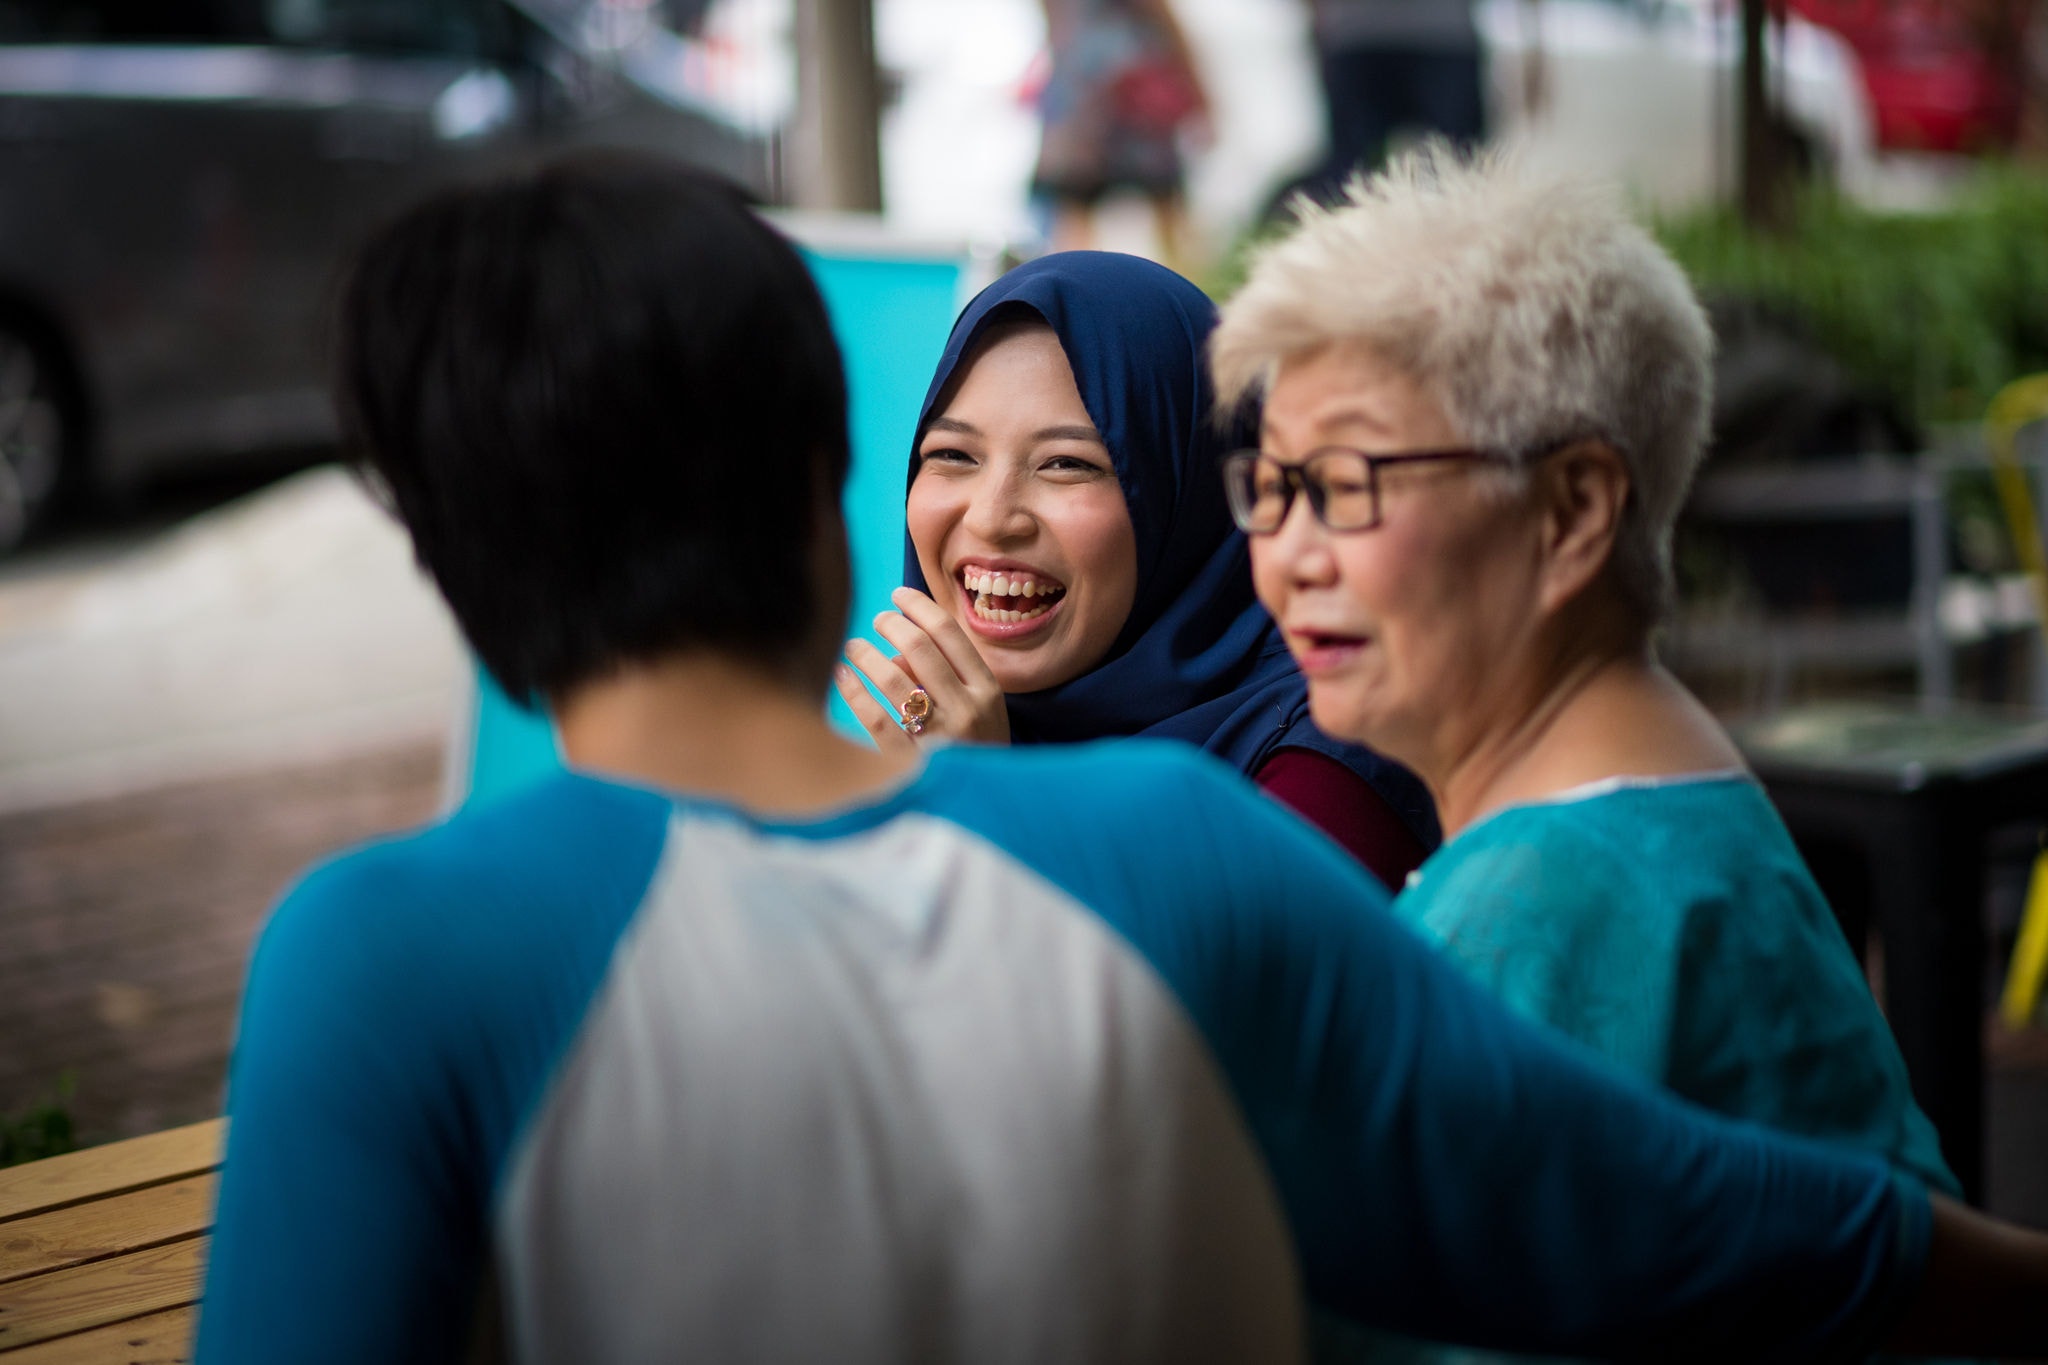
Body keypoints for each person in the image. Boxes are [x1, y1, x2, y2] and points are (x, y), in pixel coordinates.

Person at [196, 152, 2048, 1365]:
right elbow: (1671, 1212)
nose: (1290, 552)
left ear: (451, 561)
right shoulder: (1178, 849)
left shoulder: (377, 960)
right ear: (837, 492)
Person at [1212, 144, 1977, 1360]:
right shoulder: (1654, 798)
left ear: (1570, 510)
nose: (1289, 554)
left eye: (1347, 483)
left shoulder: (1545, 900)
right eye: (1269, 485)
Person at [833, 251, 1437, 886]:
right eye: (954, 454)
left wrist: (991, 811)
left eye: (1067, 463)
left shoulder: (1317, 775)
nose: (991, 519)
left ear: (1193, 497)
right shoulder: (935, 748)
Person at [1030, 0, 1208, 266]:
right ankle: (1188, 285)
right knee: (1160, 210)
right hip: (1119, 91)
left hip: (1096, 92)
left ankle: (1071, 284)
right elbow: (1166, 22)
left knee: (1077, 212)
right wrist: (1198, 88)